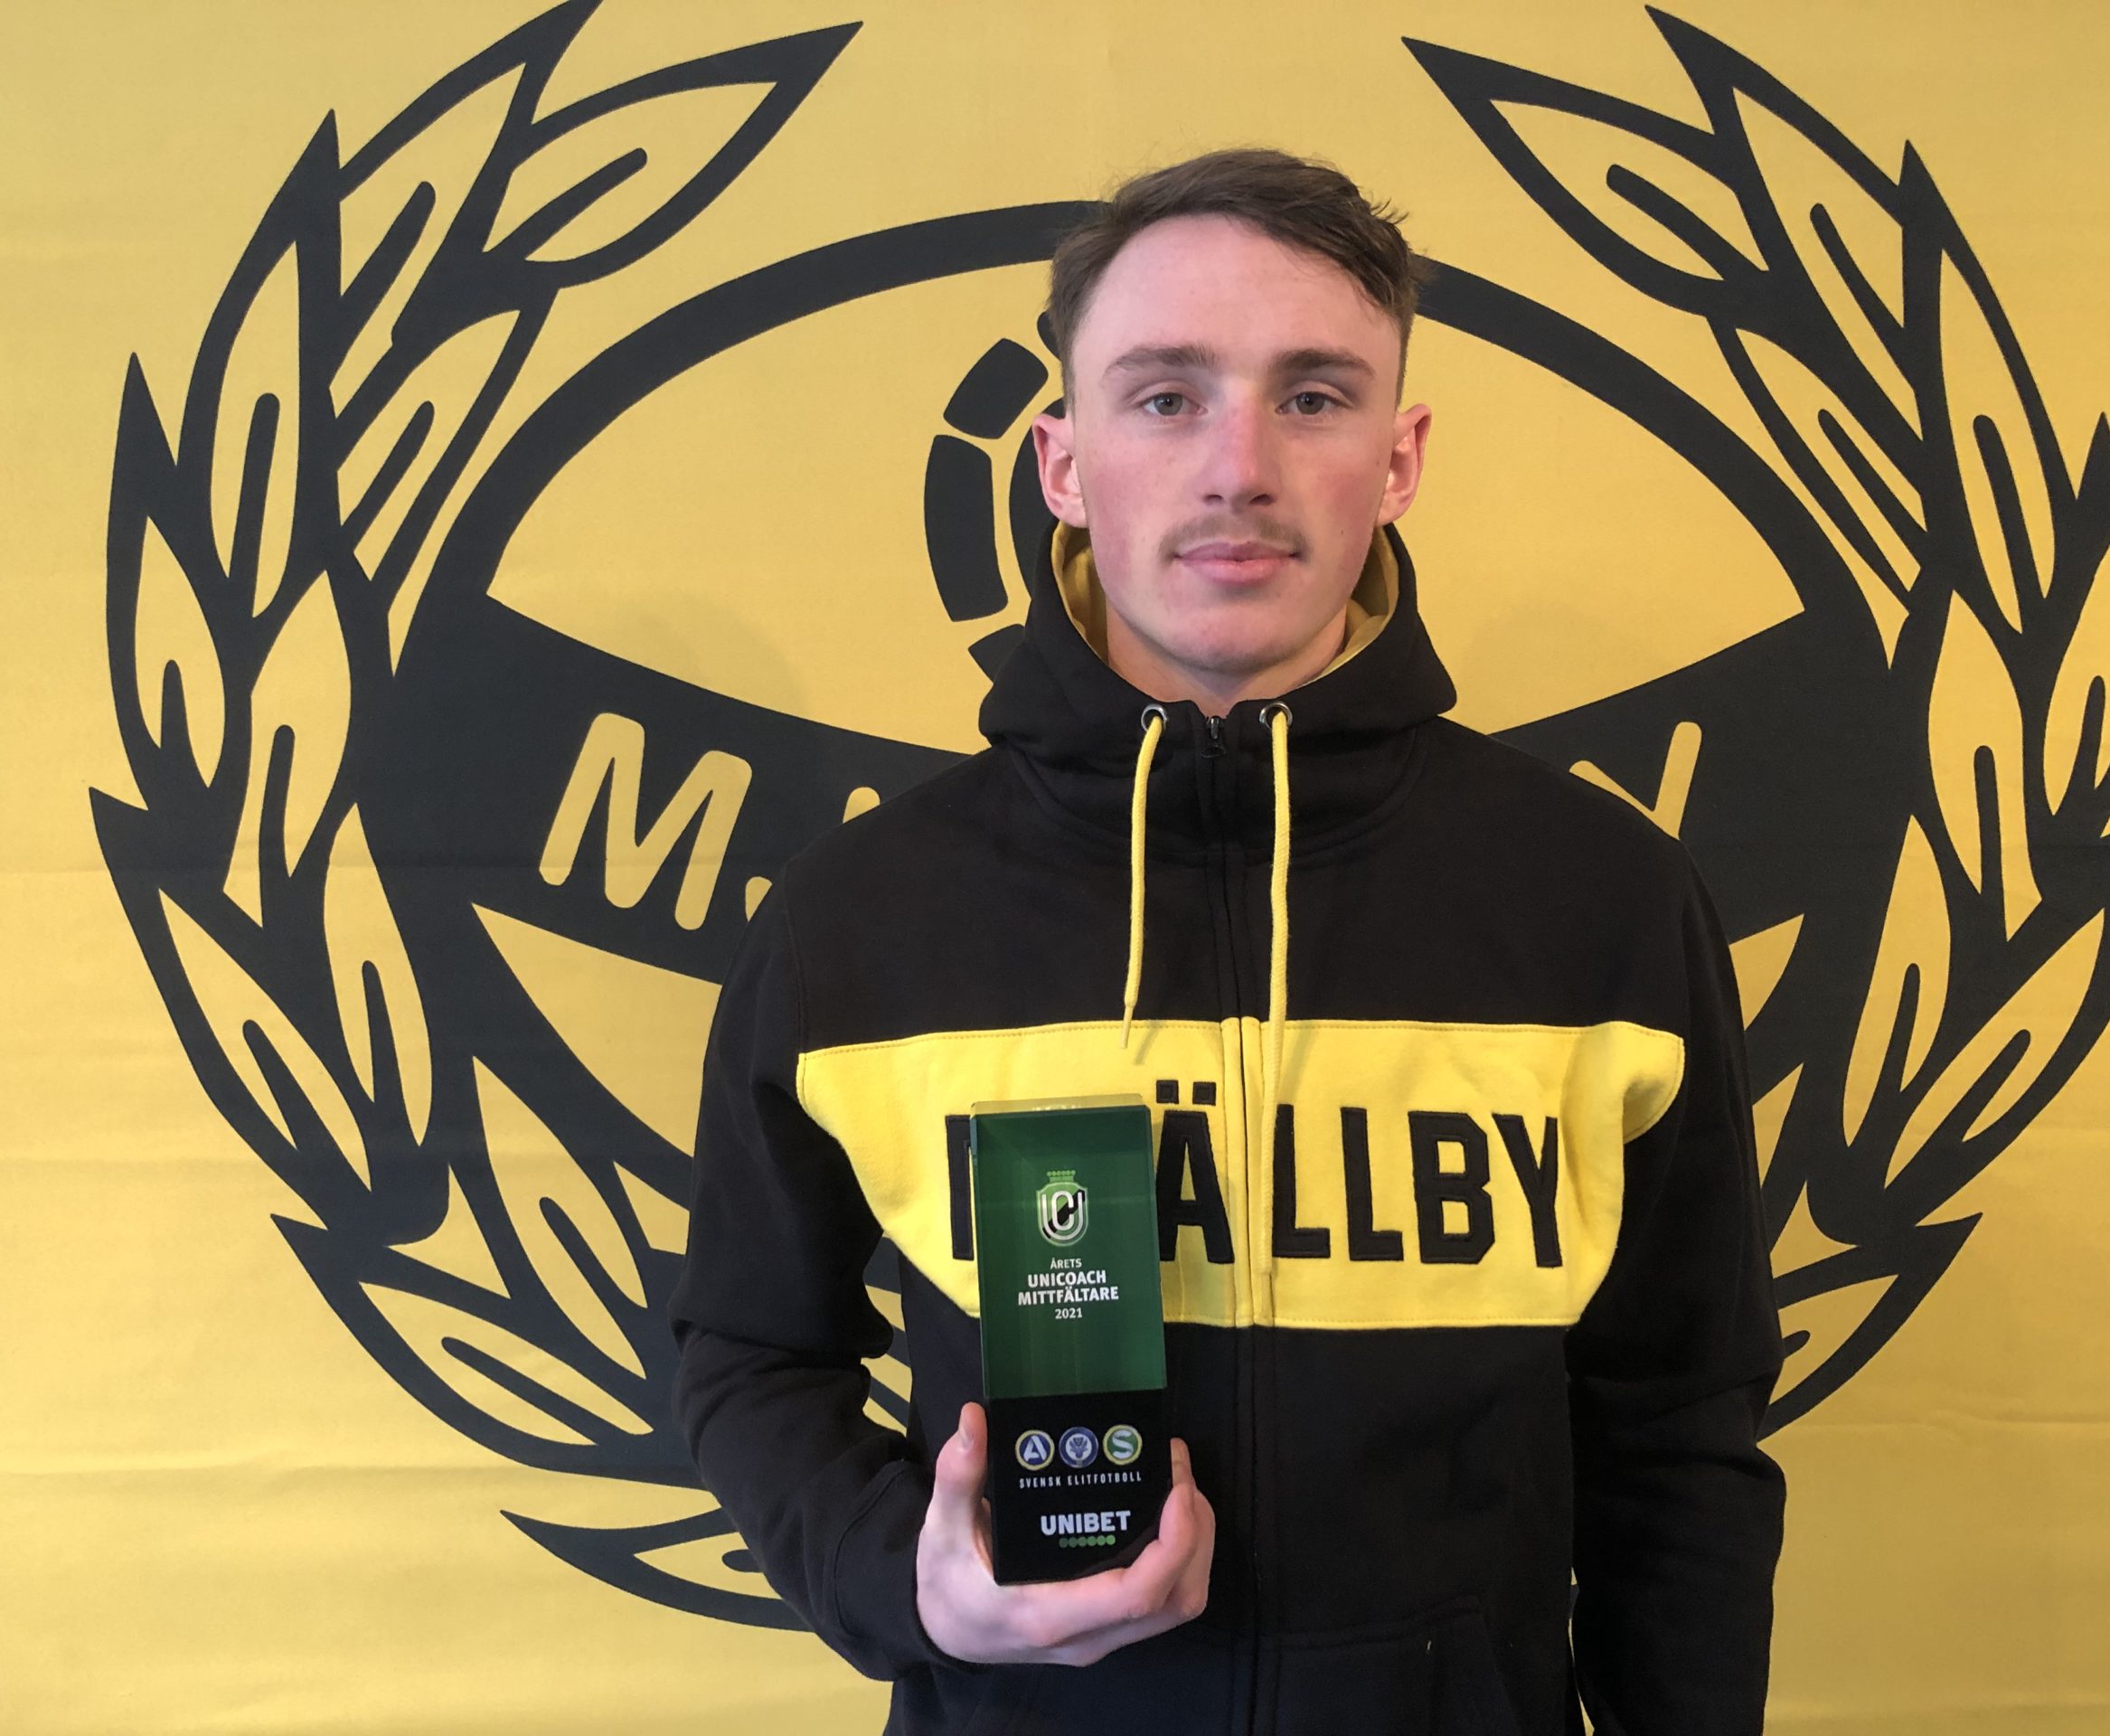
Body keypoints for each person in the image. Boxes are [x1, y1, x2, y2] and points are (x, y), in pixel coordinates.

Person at [669, 146, 1785, 1735]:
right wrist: (904, 1581)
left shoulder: (1603, 900)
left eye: (1313, 397)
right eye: (1165, 397)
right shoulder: (861, 918)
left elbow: (1679, 1430)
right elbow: (746, 1351)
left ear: (1398, 459)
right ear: (1063, 462)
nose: (1239, 467)